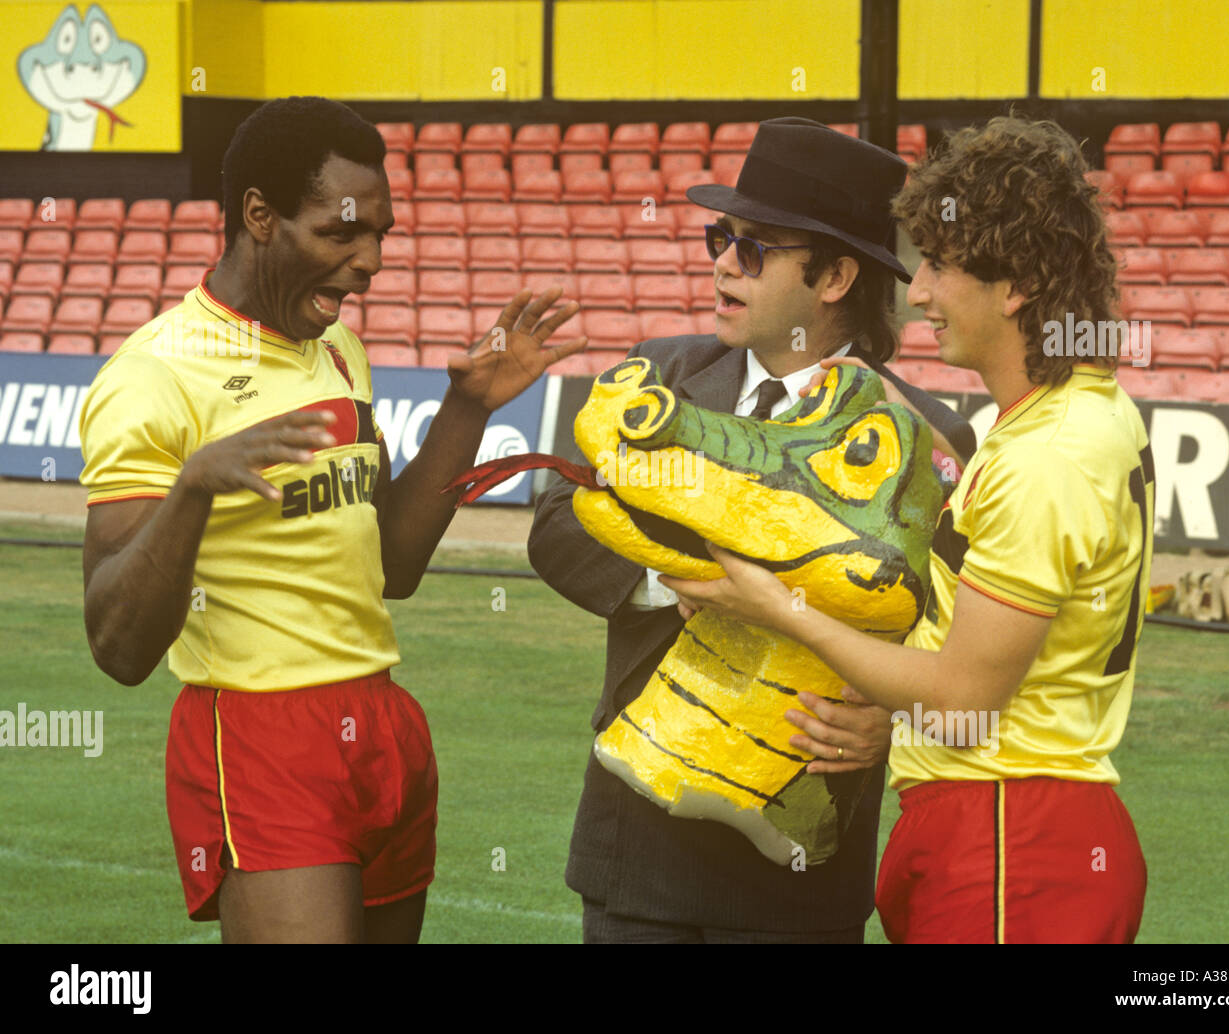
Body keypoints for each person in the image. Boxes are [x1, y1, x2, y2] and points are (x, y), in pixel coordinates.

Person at [79, 96, 585, 943]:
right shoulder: (154, 376)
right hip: (260, 731)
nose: (370, 261)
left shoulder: (338, 351)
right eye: (342, 233)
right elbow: (117, 645)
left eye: (381, 235)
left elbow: (394, 567)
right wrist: (195, 488)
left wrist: (465, 412)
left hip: (381, 718)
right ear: (260, 217)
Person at [662, 114, 1153, 944]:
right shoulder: (1070, 417)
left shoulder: (1049, 454)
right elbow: (1000, 552)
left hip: (1011, 841)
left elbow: (965, 694)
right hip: (1008, 823)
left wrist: (781, 608)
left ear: (1016, 285)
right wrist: (927, 453)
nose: (918, 291)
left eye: (943, 266)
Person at [528, 117, 974, 943]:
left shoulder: (931, 441)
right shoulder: (658, 374)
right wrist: (681, 583)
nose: (724, 263)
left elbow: (956, 641)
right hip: (638, 846)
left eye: (756, 248)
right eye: (720, 238)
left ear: (837, 275)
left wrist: (894, 719)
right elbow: (555, 525)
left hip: (798, 869)